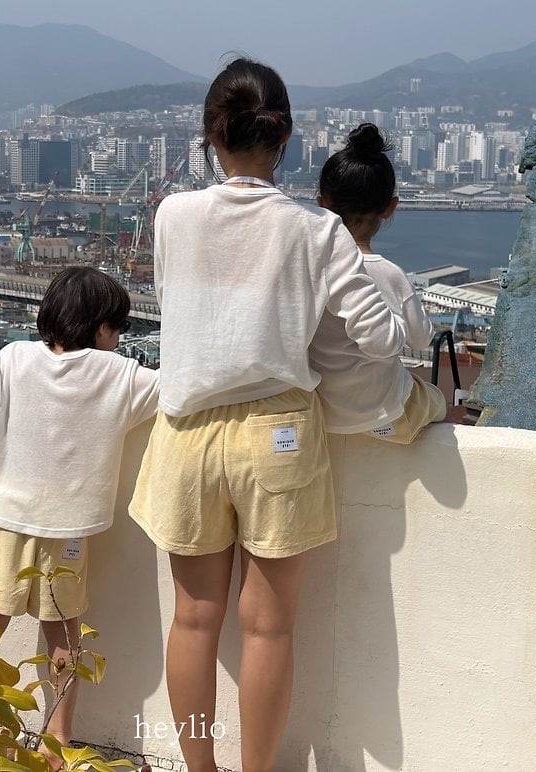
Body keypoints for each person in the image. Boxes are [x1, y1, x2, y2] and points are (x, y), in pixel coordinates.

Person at [128, 58, 407, 772]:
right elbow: (381, 339)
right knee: (269, 630)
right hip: (278, 434)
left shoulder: (173, 214)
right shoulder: (317, 230)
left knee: (194, 621)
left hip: (188, 433)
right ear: (284, 138)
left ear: (210, 136)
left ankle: (199, 767)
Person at [0, 266, 158, 770]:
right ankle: (57, 742)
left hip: (5, 515)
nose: (119, 338)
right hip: (68, 528)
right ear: (101, 327)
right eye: (118, 327)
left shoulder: (15, 357)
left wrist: (7, 452)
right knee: (64, 634)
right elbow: (177, 390)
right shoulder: (121, 375)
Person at [311, 123, 446, 442]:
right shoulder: (391, 275)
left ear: (322, 203)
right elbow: (421, 340)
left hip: (319, 410)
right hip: (384, 413)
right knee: (436, 399)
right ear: (390, 207)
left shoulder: (310, 267)